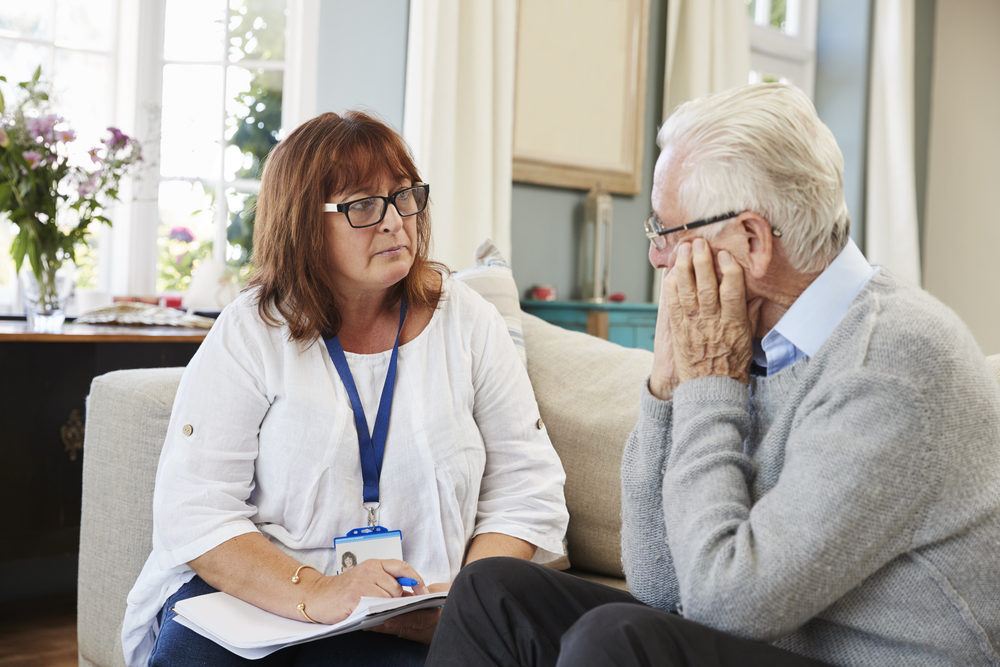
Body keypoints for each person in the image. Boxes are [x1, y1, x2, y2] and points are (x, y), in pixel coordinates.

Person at [424, 83, 1000, 667]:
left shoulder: (890, 363)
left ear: (750, 239)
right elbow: (657, 583)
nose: (655, 257)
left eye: (666, 232)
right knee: (492, 592)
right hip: (764, 640)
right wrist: (666, 391)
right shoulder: (751, 340)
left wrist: (709, 387)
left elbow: (726, 605)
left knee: (616, 641)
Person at [121, 110, 569, 667]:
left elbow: (527, 490)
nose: (394, 221)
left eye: (404, 196)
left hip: (420, 614)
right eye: (362, 205)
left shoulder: (467, 321)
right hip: (264, 603)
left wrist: (464, 610)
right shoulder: (251, 331)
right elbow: (195, 510)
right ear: (302, 223)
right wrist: (317, 591)